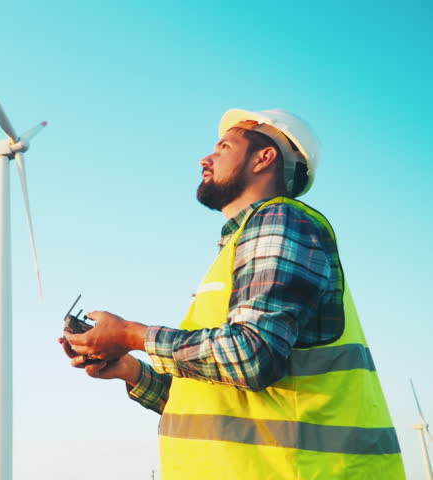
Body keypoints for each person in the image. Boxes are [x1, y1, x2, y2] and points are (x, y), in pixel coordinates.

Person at [60, 109, 406, 479]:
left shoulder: (281, 221)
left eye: (224, 146)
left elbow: (251, 355)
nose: (205, 158)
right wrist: (129, 370)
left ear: (264, 157)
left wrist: (131, 334)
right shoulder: (240, 245)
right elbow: (221, 407)